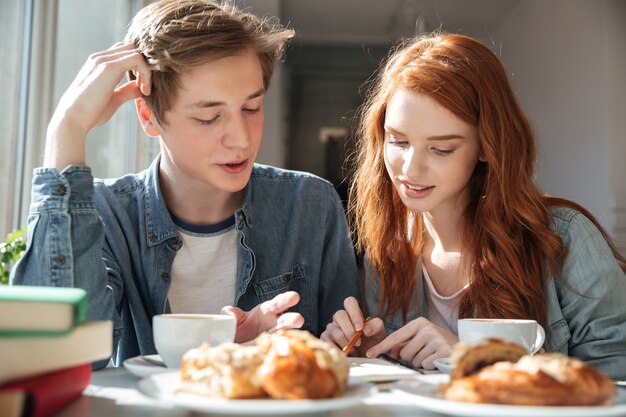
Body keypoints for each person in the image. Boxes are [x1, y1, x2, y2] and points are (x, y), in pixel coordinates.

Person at [10, 0, 360, 368]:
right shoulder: (106, 213)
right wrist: (67, 129)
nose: (241, 139)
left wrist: (351, 342)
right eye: (209, 117)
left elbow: (346, 357)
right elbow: (57, 358)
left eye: (251, 108)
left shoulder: (310, 204)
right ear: (149, 116)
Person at [320, 32, 626, 379]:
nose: (410, 168)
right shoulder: (389, 251)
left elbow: (616, 381)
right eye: (399, 141)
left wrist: (479, 361)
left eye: (441, 149)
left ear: (486, 146)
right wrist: (370, 356)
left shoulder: (565, 239)